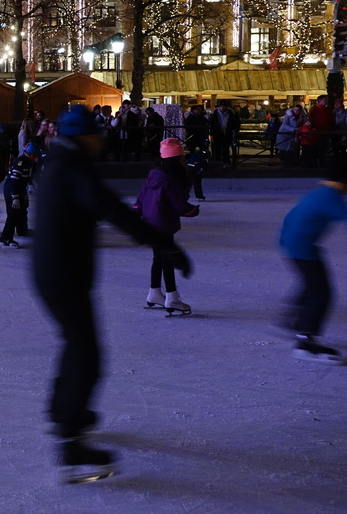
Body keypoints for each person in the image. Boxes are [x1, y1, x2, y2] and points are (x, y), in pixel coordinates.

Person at [32, 105, 192, 483]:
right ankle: (71, 445)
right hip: (63, 276)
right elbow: (110, 208)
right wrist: (162, 243)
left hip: (54, 273)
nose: (102, 143)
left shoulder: (59, 162)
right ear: (83, 137)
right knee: (87, 355)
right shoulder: (74, 168)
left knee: (76, 346)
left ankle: (63, 414)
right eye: (97, 136)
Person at [278, 159, 347, 363]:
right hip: (302, 248)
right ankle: (305, 342)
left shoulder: (318, 192)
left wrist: (286, 241)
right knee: (320, 292)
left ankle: (295, 322)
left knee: (312, 286)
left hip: (294, 244)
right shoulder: (331, 197)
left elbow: (290, 217)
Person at [134, 138, 200, 314]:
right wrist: (192, 210)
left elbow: (141, 196)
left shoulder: (154, 174)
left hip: (150, 221)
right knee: (167, 257)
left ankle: (154, 292)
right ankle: (172, 297)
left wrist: (137, 209)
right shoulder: (171, 179)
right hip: (163, 222)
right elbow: (178, 204)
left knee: (158, 257)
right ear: (177, 158)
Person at [0, 142, 38, 248]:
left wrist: (24, 194)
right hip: (11, 191)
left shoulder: (28, 162)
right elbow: (13, 181)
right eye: (35, 155)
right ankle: (4, 240)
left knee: (19, 213)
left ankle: (14, 236)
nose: (36, 158)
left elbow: (24, 180)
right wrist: (15, 197)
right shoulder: (21, 162)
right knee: (12, 215)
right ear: (31, 154)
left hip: (19, 190)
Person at [208, 100, 240, 165]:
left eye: (224, 106)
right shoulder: (215, 114)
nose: (223, 108)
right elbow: (211, 123)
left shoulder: (231, 114)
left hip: (227, 133)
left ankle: (225, 161)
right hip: (217, 133)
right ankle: (217, 161)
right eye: (221, 106)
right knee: (217, 148)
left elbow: (236, 123)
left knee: (226, 148)